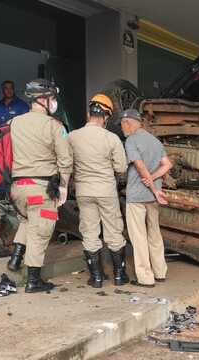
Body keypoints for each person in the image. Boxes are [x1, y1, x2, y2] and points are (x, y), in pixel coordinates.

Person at [6, 79, 73, 293]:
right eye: (52, 98)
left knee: (27, 220)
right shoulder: (55, 126)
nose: (54, 103)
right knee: (41, 231)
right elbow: (65, 160)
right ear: (43, 100)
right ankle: (33, 281)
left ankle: (15, 259)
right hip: (41, 189)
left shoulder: (15, 122)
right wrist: (63, 186)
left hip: (18, 189)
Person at [68, 94, 129, 288]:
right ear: (107, 116)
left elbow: (66, 164)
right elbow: (121, 167)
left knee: (89, 231)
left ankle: (96, 278)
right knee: (113, 230)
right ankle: (119, 276)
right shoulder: (112, 138)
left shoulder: (72, 136)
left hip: (83, 191)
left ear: (88, 113)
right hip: (106, 190)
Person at [120, 109, 172, 288]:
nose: (122, 128)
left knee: (139, 236)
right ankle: (160, 271)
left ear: (128, 123)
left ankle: (145, 277)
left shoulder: (131, 140)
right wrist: (155, 181)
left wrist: (150, 182)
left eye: (122, 124)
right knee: (154, 233)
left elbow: (140, 166)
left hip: (137, 196)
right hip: (153, 196)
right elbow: (167, 165)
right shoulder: (155, 141)